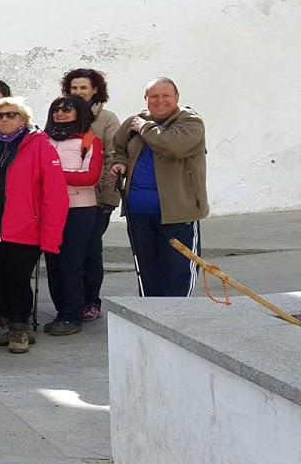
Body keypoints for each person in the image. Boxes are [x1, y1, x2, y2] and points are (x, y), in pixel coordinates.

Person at [0, 97, 69, 353]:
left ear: (24, 118)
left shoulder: (39, 144)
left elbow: (55, 195)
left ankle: (20, 329)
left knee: (18, 279)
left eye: (11, 115)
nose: (5, 120)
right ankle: (11, 326)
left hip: (24, 228)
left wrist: (50, 236)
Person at [111, 78, 207, 298]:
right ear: (146, 99)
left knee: (179, 270)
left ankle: (177, 319)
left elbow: (173, 146)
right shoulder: (134, 122)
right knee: (148, 271)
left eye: (166, 96)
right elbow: (117, 148)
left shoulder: (190, 122)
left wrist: (145, 128)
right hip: (139, 211)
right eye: (154, 96)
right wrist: (120, 162)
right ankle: (150, 318)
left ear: (177, 97)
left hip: (178, 211)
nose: (160, 101)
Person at [40, 95, 105, 335]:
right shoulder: (43, 140)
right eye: (56, 109)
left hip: (79, 210)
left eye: (67, 109)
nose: (60, 113)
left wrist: (54, 173)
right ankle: (62, 313)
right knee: (54, 263)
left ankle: (73, 314)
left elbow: (90, 177)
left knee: (72, 264)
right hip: (49, 209)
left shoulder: (89, 140)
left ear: (79, 112)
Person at [63, 68, 122, 320]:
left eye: (83, 88)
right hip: (65, 200)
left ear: (95, 90)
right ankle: (71, 302)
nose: (78, 92)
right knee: (71, 253)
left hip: (96, 199)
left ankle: (91, 301)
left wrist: (108, 199)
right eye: (74, 88)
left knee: (90, 251)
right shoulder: (62, 115)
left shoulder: (107, 119)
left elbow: (113, 157)